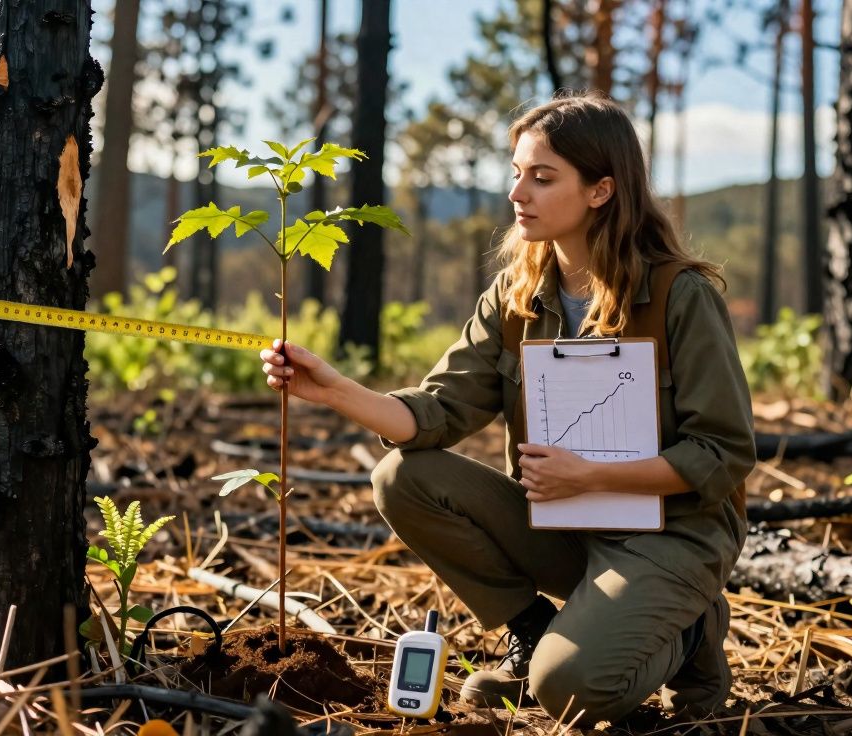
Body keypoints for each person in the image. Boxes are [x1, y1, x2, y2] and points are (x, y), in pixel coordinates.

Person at [259, 92, 755, 727]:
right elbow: (437, 412)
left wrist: (593, 475)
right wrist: (333, 390)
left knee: (569, 691)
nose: (519, 192)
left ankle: (690, 636)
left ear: (601, 190)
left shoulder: (679, 296)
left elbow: (725, 452)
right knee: (402, 477)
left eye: (543, 178)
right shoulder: (515, 297)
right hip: (566, 525)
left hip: (671, 536)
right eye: (517, 173)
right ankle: (532, 631)